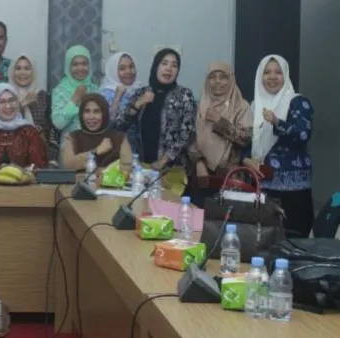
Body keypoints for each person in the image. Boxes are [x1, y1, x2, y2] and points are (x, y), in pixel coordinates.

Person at [249, 54, 314, 237]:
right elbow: (246, 140)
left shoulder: (298, 102)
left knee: (294, 240)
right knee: (263, 241)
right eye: (267, 72)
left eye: (278, 72)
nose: (272, 77)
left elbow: (303, 134)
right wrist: (247, 159)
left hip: (294, 190)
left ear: (285, 75)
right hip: (263, 186)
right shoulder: (255, 106)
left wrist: (277, 122)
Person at [114, 48, 196, 173]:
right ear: (156, 66)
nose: (168, 68)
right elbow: (120, 124)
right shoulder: (142, 92)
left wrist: (164, 160)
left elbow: (188, 133)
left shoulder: (184, 95)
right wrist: (138, 104)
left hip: (172, 169)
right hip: (141, 167)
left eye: (174, 65)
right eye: (164, 63)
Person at [187, 63, 253, 206]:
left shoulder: (241, 106)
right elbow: (190, 138)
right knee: (198, 216)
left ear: (231, 79)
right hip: (201, 176)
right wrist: (199, 162)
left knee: (226, 218)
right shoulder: (199, 106)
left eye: (223, 77)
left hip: (230, 179)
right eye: (213, 77)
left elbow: (246, 139)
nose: (217, 81)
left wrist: (220, 122)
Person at [61, 94, 132, 173]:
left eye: (96, 112)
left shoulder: (119, 138)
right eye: (87, 111)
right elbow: (68, 166)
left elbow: (127, 167)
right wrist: (95, 151)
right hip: (80, 181)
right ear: (81, 114)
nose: (91, 117)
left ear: (104, 114)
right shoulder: (72, 137)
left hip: (111, 180)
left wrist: (103, 172)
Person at [51, 45, 98, 163]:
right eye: (75, 64)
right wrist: (75, 98)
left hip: (95, 147)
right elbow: (58, 123)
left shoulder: (95, 89)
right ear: (68, 66)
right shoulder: (60, 91)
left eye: (84, 63)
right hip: (70, 149)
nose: (80, 68)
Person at [8, 54, 58, 160]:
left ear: (33, 72)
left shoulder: (43, 96)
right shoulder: (5, 95)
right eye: (18, 68)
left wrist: (51, 160)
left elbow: (51, 132)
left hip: (40, 154)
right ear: (12, 72)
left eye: (27, 68)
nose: (22, 72)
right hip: (10, 155)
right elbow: (2, 125)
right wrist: (21, 105)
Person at [100, 52, 142, 151]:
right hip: (115, 147)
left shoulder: (138, 89)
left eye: (131, 67)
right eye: (122, 68)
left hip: (137, 145)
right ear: (113, 71)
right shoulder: (106, 94)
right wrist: (118, 96)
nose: (128, 71)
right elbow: (108, 123)